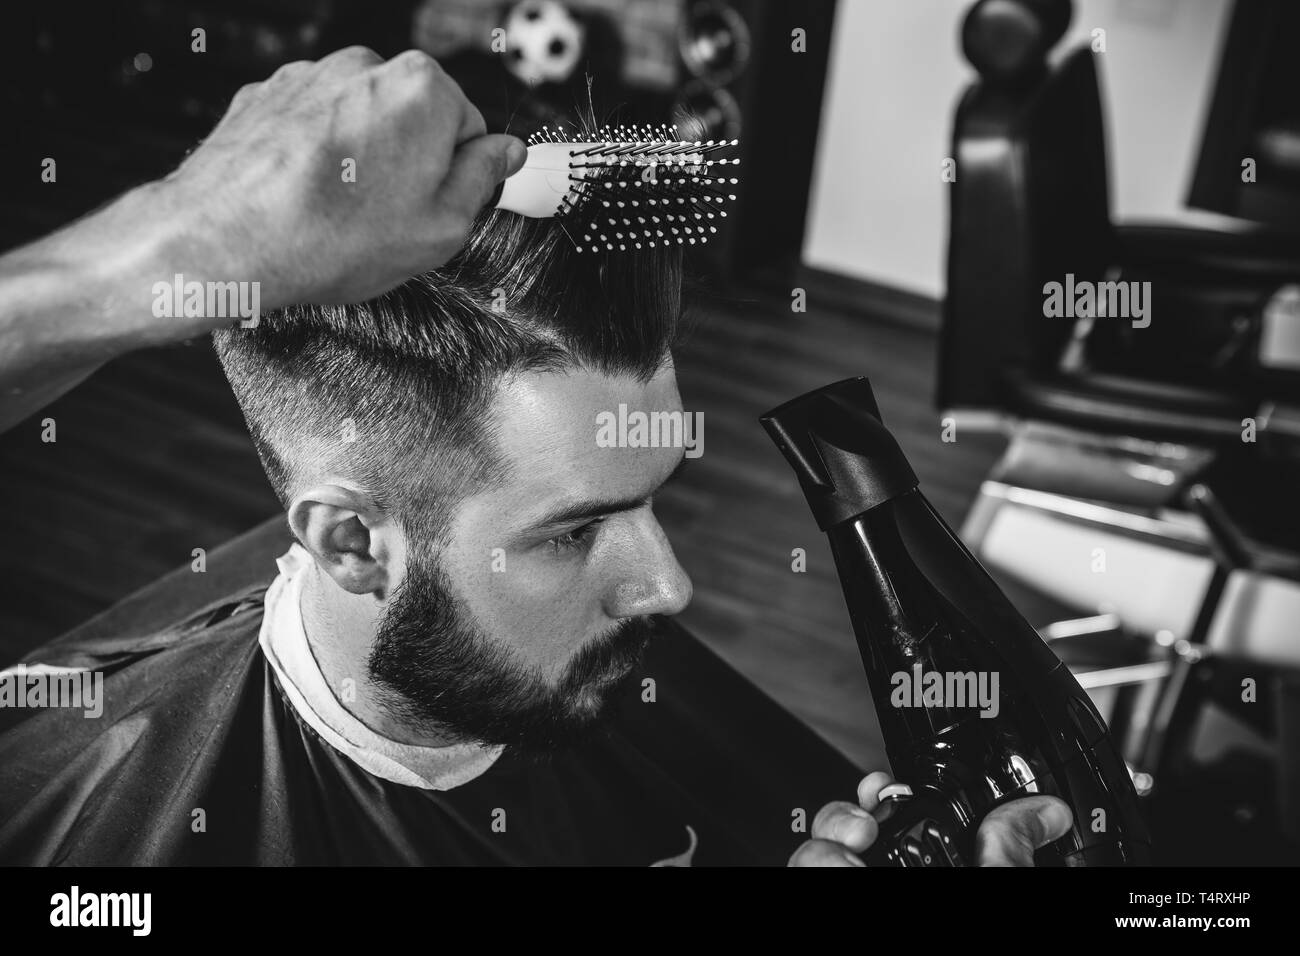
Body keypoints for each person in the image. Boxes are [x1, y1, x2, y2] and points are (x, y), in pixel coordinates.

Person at [0, 47, 1071, 865]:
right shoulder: (105, 832)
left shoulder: (587, 678)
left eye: (652, 500)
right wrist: (174, 240)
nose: (669, 586)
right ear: (353, 543)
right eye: (570, 530)